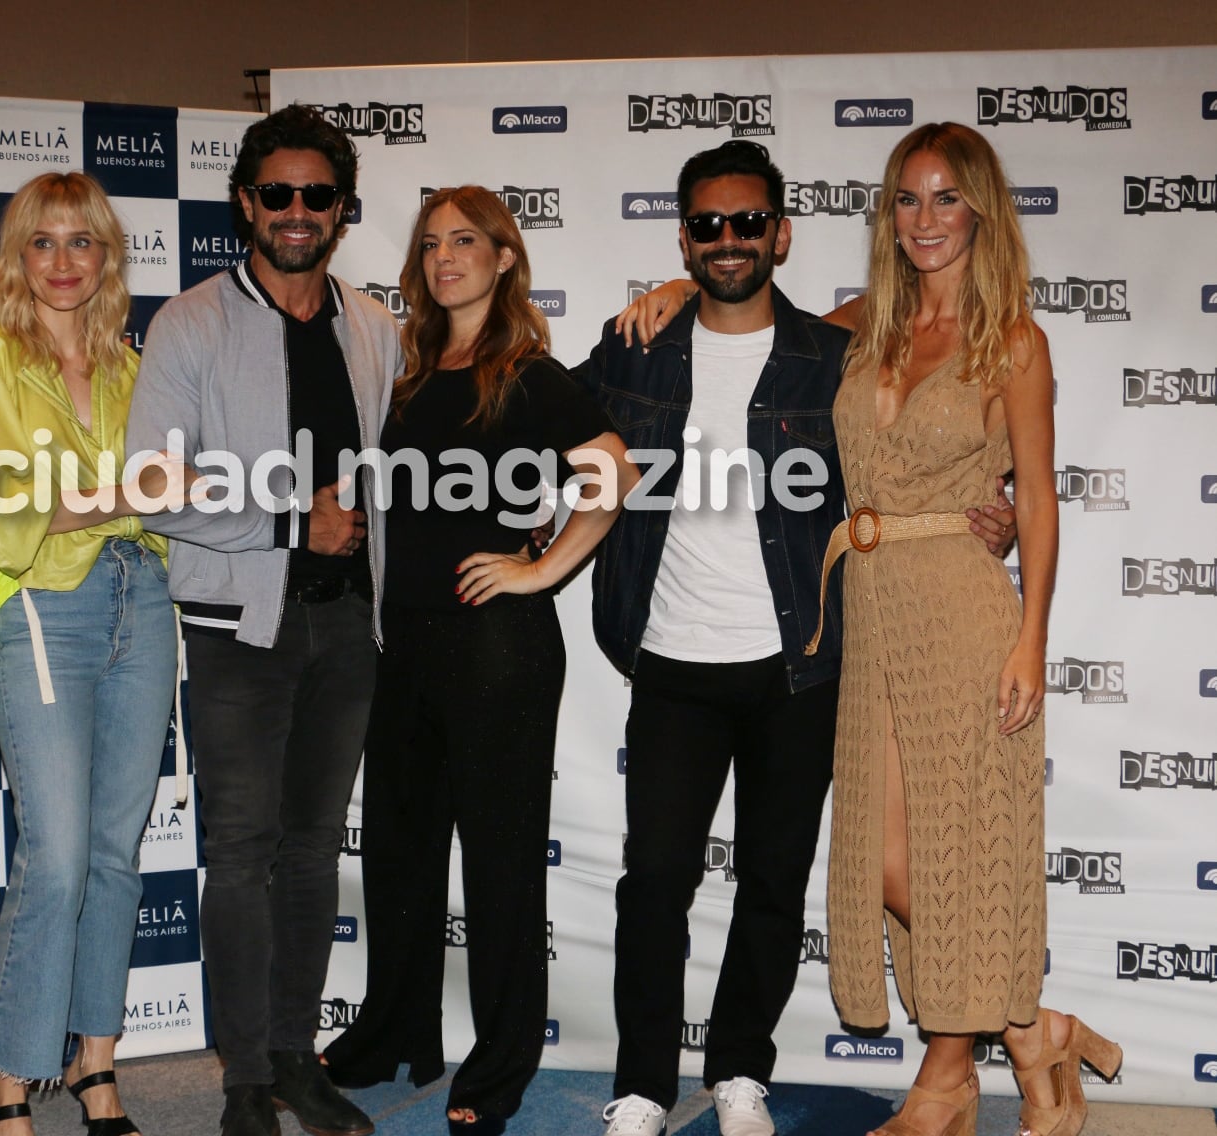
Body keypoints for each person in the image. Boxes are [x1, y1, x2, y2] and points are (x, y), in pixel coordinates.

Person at [584, 142, 1018, 1136]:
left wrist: (987, 513)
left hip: (803, 663)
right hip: (673, 660)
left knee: (774, 880)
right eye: (706, 224)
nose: (728, 240)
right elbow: (548, 415)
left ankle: (741, 1071)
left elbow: (919, 429)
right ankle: (644, 1083)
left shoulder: (836, 353)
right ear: (684, 236)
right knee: (654, 876)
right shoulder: (638, 346)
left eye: (747, 222)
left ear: (780, 233)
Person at [815, 122, 1119, 1136]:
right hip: (870, 606)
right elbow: (743, 309)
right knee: (887, 858)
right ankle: (1036, 1033)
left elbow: (1035, 499)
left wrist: (1030, 637)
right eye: (907, 198)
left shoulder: (1013, 340)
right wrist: (675, 292)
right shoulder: (858, 324)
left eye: (947, 198)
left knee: (955, 847)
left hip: (962, 606)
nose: (925, 219)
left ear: (981, 210)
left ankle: (947, 1078)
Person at [320, 187, 637, 1136]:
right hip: (405, 644)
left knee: (500, 867)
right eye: (430, 245)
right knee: (400, 855)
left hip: (498, 650)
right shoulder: (407, 371)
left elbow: (613, 474)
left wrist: (540, 569)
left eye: (466, 241)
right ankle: (395, 1030)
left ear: (505, 257)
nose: (445, 257)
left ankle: (501, 1063)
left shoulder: (527, 373)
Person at [126, 104, 401, 1136]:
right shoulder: (190, 320)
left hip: (348, 629)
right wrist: (290, 523)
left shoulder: (372, 325)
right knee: (240, 848)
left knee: (311, 846)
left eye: (316, 195)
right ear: (246, 202)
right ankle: (243, 1072)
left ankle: (295, 1052)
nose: (296, 211)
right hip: (240, 625)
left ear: (340, 209)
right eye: (276, 193)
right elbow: (152, 483)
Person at [0, 171, 188, 1136]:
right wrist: (130, 493)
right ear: (17, 254)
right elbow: (2, 520)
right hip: (43, 606)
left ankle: (97, 1068)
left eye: (84, 242)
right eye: (44, 242)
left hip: (143, 599)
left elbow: (176, 493)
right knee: (61, 854)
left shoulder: (133, 362)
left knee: (118, 853)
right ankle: (8, 1077)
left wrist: (144, 498)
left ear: (108, 256)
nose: (65, 262)